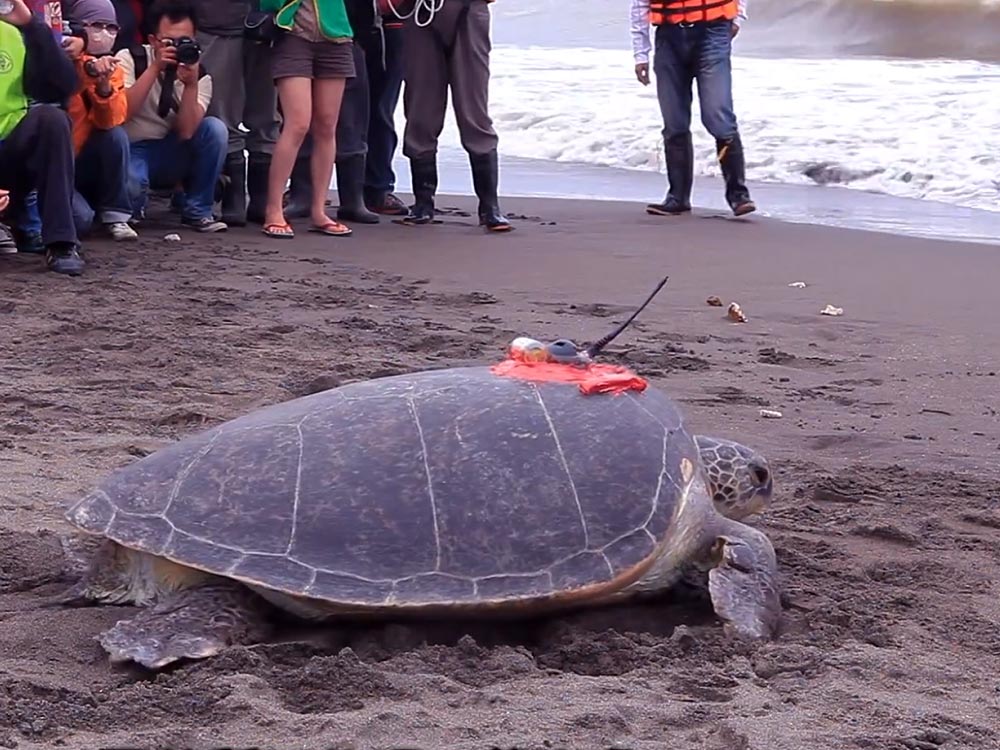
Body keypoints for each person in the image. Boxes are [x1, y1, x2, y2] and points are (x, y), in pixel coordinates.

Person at [630, 0, 756, 217]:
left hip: (713, 32)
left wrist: (738, 17)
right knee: (674, 122)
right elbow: (639, 6)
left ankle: (738, 195)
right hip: (668, 38)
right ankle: (677, 198)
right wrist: (640, 54)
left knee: (718, 116)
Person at [397, 0, 511, 232]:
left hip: (468, 9)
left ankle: (490, 207)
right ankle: (423, 203)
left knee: (473, 110)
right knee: (421, 109)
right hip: (417, 9)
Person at [115, 0, 229, 232]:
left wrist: (190, 86)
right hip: (133, 147)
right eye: (169, 42)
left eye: (184, 41)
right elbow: (123, 113)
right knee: (133, 190)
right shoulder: (129, 58)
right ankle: (132, 208)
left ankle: (198, 211)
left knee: (215, 129)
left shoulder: (200, 74)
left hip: (171, 149)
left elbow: (187, 131)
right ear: (152, 40)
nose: (177, 48)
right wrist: (155, 68)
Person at [0, 0, 86, 275]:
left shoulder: (11, 31)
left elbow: (59, 87)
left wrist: (33, 27)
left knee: (52, 119)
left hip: (9, 153)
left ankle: (61, 244)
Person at [259, 0, 355, 239]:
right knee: (298, 123)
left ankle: (319, 211)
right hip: (292, 33)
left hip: (336, 34)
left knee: (327, 126)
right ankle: (273, 210)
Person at [192, 0, 280, 226]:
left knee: (267, 114)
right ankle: (234, 195)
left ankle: (262, 198)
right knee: (220, 112)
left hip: (270, 25)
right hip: (214, 25)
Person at [64, 0, 139, 241]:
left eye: (112, 27)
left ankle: (116, 215)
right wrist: (90, 70)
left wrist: (104, 87)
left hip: (87, 161)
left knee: (116, 136)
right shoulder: (61, 59)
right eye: (97, 25)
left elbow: (111, 121)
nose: (104, 33)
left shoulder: (114, 66)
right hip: (60, 161)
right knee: (80, 221)